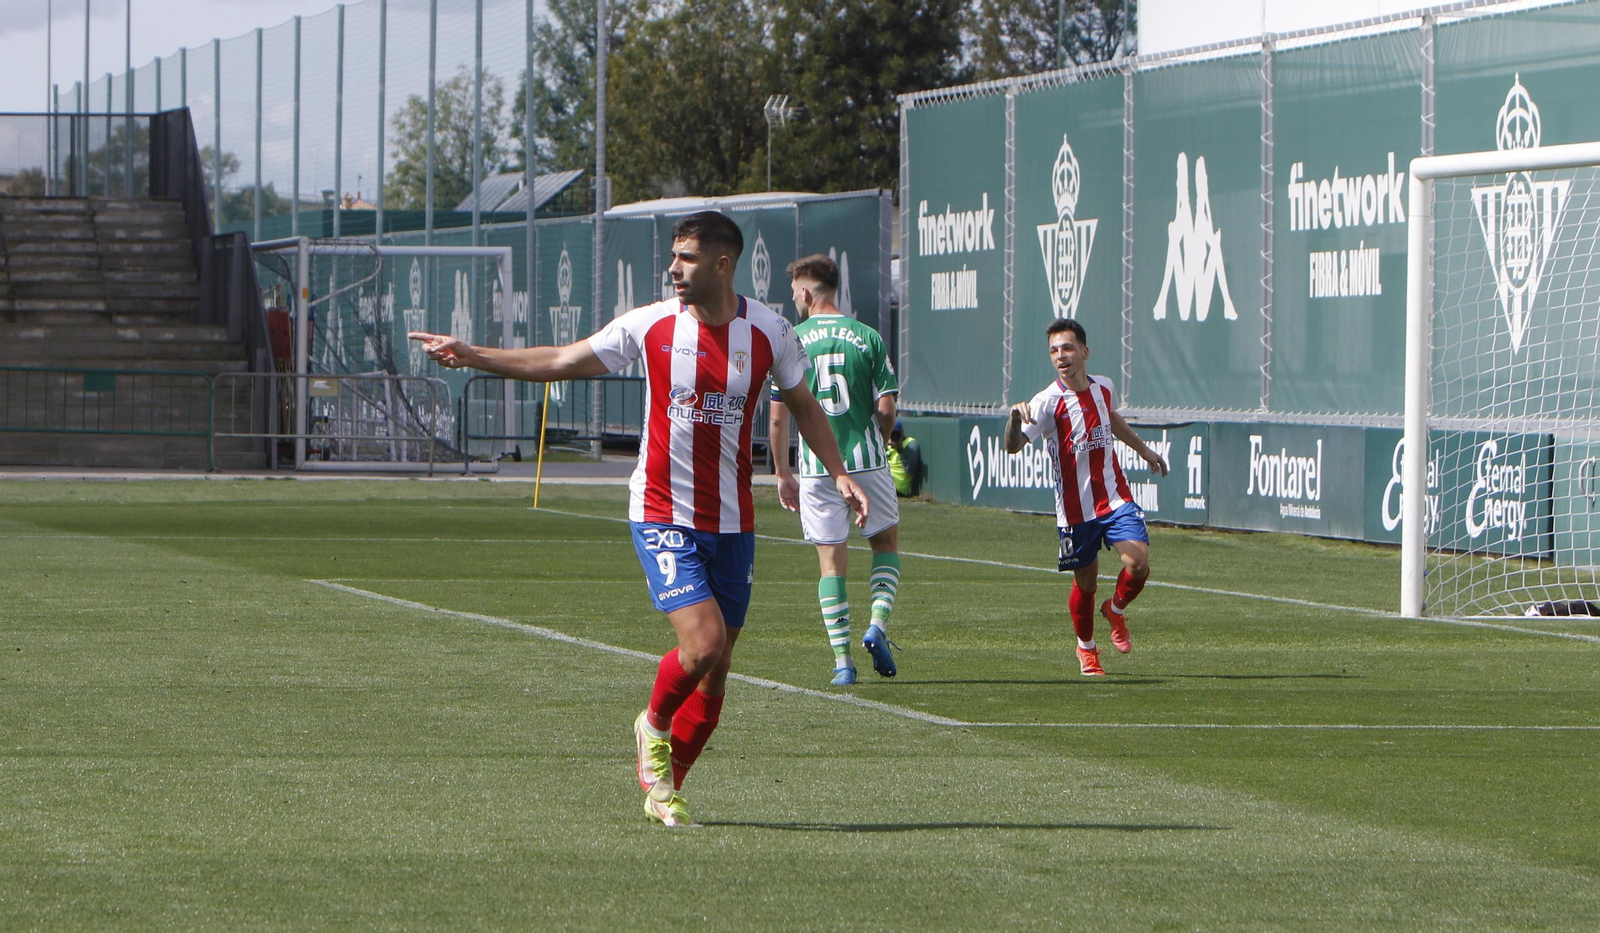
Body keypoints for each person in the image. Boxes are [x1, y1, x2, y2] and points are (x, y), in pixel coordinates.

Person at [409, 212, 867, 828]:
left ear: (723, 264)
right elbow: (561, 360)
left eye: (686, 258)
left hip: (733, 523)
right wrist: (474, 356)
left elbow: (804, 405)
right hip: (661, 511)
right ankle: (651, 724)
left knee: (717, 668)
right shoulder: (650, 324)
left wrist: (837, 472)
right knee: (701, 645)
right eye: (672, 256)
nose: (673, 269)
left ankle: (666, 788)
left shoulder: (770, 330)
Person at [1004, 318, 1169, 676]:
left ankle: (1116, 610)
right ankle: (1087, 648)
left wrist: (1144, 451)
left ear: (1084, 351)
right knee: (1086, 583)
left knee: (1138, 563)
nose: (1060, 356)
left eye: (1066, 348)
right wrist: (1015, 419)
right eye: (1053, 350)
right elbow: (1013, 447)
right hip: (1076, 511)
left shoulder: (1104, 387)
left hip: (1114, 496)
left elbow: (1110, 418)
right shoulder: (1046, 402)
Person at [768, 255, 902, 686]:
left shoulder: (791, 339)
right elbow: (887, 407)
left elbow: (778, 418)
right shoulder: (866, 337)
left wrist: (781, 472)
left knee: (831, 564)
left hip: (815, 468)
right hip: (866, 461)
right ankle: (877, 624)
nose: (795, 300)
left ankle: (843, 661)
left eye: (794, 293)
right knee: (884, 544)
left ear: (806, 292)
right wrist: (877, 443)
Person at [886, 420, 922, 497]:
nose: (893, 437)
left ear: (902, 433)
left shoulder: (910, 444)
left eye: (896, 434)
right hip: (884, 479)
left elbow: (910, 470)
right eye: (891, 434)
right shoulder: (887, 443)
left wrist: (899, 449)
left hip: (896, 488)